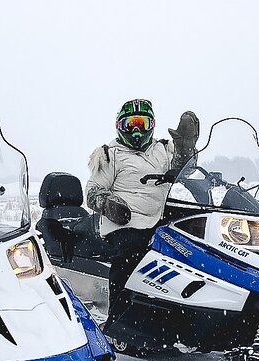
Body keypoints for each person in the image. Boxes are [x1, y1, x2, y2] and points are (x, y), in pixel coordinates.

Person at [85, 99, 199, 321]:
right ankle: (119, 319)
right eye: (130, 124)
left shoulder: (164, 149)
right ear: (120, 127)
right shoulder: (111, 154)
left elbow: (186, 169)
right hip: (125, 222)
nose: (136, 131)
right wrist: (108, 204)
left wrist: (186, 148)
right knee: (131, 253)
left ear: (152, 125)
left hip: (159, 219)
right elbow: (92, 190)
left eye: (142, 123)